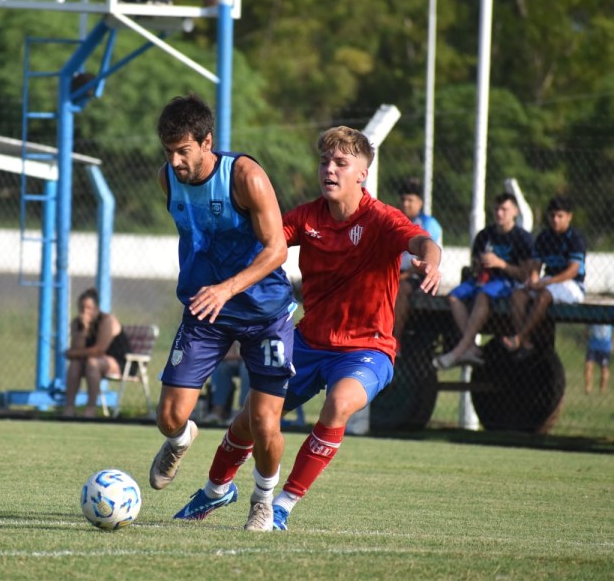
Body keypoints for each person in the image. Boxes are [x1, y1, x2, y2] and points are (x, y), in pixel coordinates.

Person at [182, 125, 441, 532]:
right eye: (324, 162)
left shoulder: (381, 220)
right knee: (254, 419)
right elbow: (268, 243)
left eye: (341, 163)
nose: (330, 170)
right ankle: (216, 490)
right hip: (308, 341)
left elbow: (424, 243)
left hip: (367, 349)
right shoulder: (306, 217)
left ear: (362, 174)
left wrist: (431, 261)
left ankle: (281, 506)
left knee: (338, 404)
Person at [152, 94, 297, 532]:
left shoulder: (245, 177)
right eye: (168, 152)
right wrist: (211, 290)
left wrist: (228, 288)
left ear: (206, 141)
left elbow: (277, 249)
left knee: (263, 421)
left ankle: (262, 500)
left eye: (183, 151)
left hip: (264, 312)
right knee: (169, 417)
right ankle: (181, 441)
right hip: (205, 310)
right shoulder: (168, 180)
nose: (175, 161)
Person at [432, 193, 533, 370]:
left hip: (506, 281)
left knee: (483, 295)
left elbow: (524, 274)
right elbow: (475, 264)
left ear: (515, 211)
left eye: (504, 209)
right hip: (483, 279)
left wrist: (500, 263)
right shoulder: (485, 235)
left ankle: (459, 350)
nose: (499, 213)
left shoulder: (522, 238)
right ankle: (470, 347)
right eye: (496, 209)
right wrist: (480, 266)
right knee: (454, 297)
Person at [502, 196, 587, 358]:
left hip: (571, 285)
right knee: (518, 295)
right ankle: (525, 342)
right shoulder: (544, 237)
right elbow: (536, 266)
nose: (555, 220)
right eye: (552, 215)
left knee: (544, 296)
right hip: (548, 282)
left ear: (569, 216)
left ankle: (519, 337)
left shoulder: (575, 238)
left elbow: (572, 271)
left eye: (560, 216)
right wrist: (534, 279)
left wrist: (546, 282)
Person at [62, 288, 131, 418]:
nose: (85, 312)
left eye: (89, 308)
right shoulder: (77, 323)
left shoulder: (107, 321)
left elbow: (99, 350)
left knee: (91, 362)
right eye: (82, 308)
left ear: (97, 308)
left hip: (120, 363)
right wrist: (83, 331)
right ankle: (69, 407)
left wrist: (73, 353)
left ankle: (91, 408)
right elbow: (77, 350)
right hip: (93, 360)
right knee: (76, 364)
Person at [393, 180, 443, 343]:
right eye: (403, 200)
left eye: (410, 200)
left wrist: (402, 276)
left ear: (420, 202)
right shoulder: (394, 221)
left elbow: (426, 259)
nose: (406, 204)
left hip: (418, 274)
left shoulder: (428, 224)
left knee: (400, 289)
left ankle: (395, 340)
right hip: (395, 272)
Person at [205, 342, 250, 425]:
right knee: (223, 367)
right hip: (237, 359)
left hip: (253, 361)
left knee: (246, 369)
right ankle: (217, 412)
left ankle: (243, 413)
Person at [584, 324, 611, 394]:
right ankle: (588, 388)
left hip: (605, 348)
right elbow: (587, 329)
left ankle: (602, 390)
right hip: (593, 346)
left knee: (604, 370)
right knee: (588, 366)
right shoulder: (595, 317)